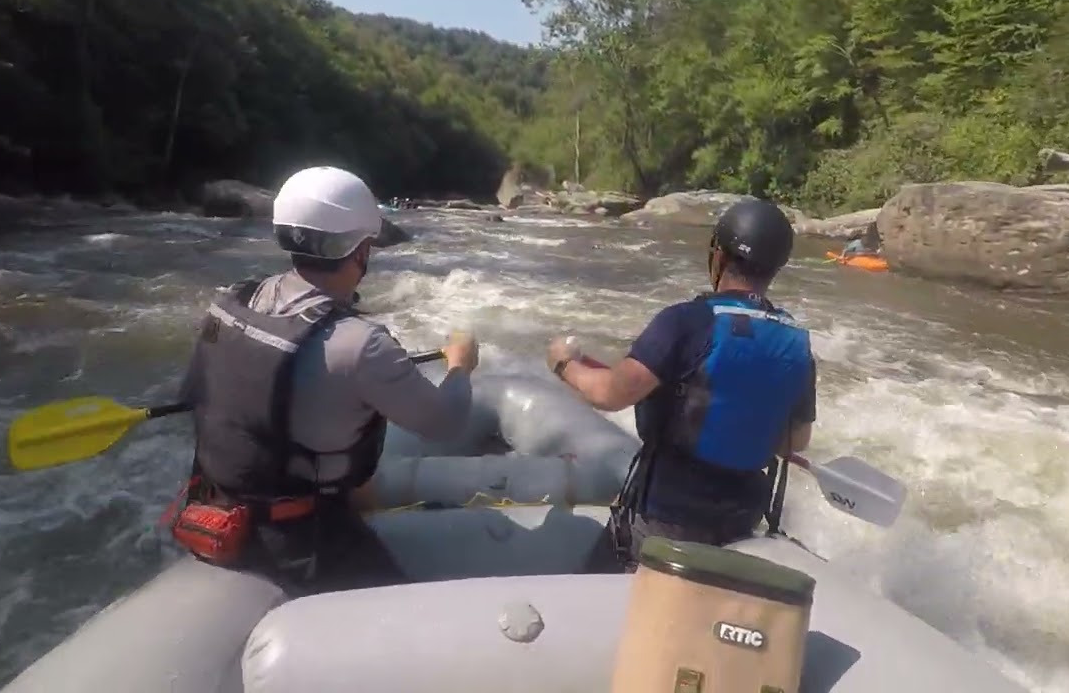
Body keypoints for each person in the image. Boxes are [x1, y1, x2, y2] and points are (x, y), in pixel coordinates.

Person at [173, 165, 479, 595]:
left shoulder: (235, 302)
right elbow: (447, 423)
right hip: (298, 542)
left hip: (216, 508)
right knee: (401, 610)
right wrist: (460, 365)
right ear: (360, 249)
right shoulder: (361, 344)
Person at [546, 199, 816, 569]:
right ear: (774, 269)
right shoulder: (796, 343)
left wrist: (563, 364)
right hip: (740, 523)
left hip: (665, 519)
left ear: (718, 255)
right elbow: (796, 440)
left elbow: (609, 393)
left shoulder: (687, 322)